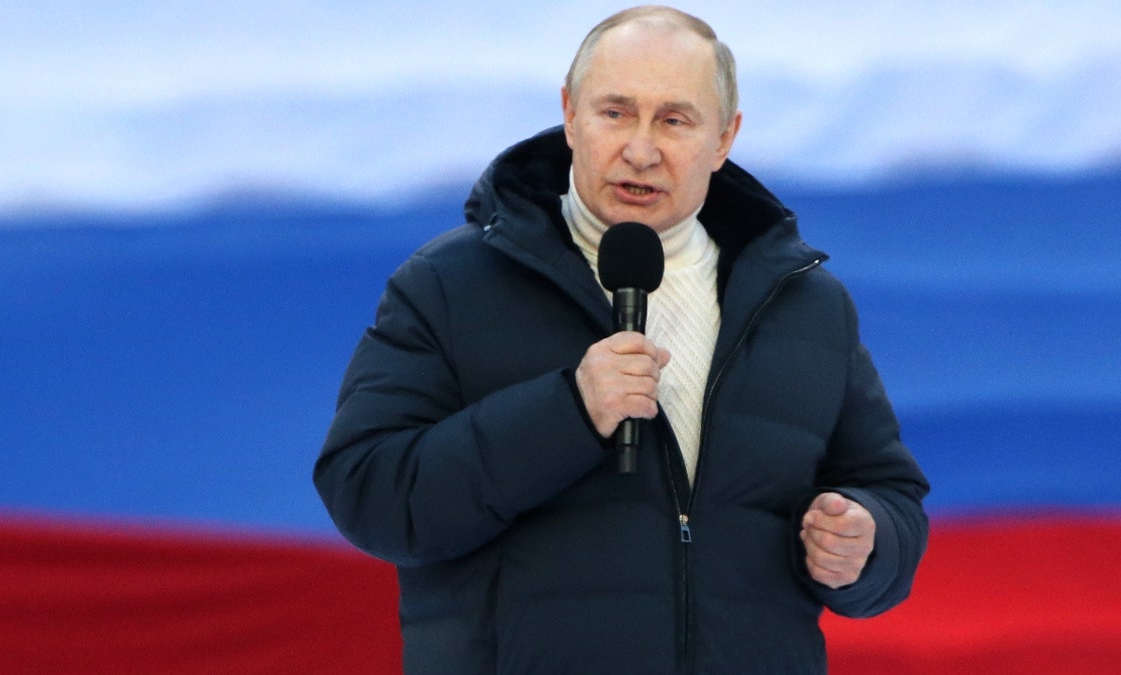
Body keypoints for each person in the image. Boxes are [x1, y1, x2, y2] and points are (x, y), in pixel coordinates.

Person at [314, 5, 929, 673]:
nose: (641, 148)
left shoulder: (806, 305)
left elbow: (887, 490)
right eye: (615, 112)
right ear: (570, 115)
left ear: (724, 139)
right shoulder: (450, 284)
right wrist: (569, 411)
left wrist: (868, 540)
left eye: (674, 119)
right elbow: (369, 492)